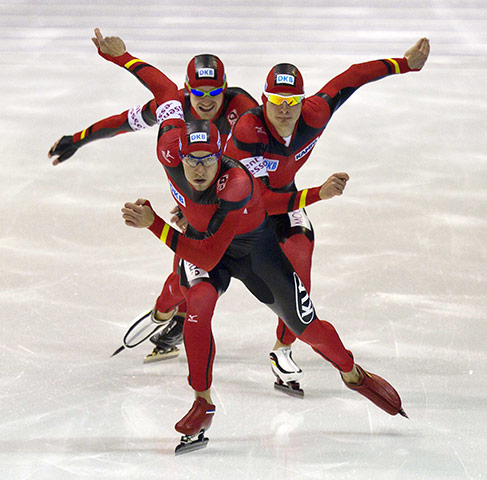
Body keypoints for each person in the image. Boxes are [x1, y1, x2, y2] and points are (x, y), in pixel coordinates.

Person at [93, 30, 407, 454]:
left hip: (248, 245)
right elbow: (165, 91)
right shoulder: (168, 144)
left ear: (220, 158)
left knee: (307, 325)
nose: (199, 170)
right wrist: (122, 57)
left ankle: (352, 373)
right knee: (199, 304)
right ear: (175, 154)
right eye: (191, 160)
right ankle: (201, 400)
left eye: (208, 161)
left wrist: (154, 225)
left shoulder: (236, 182)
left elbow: (206, 251)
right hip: (208, 243)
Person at [224, 37, 430, 391]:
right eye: (276, 102)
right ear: (264, 101)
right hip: (244, 211)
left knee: (300, 263)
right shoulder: (249, 131)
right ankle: (170, 311)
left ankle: (283, 348)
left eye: (291, 102)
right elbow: (261, 202)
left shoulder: (315, 114)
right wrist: (319, 193)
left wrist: (404, 64)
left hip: (286, 199)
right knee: (206, 271)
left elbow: (351, 77)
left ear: (302, 102)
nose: (284, 110)